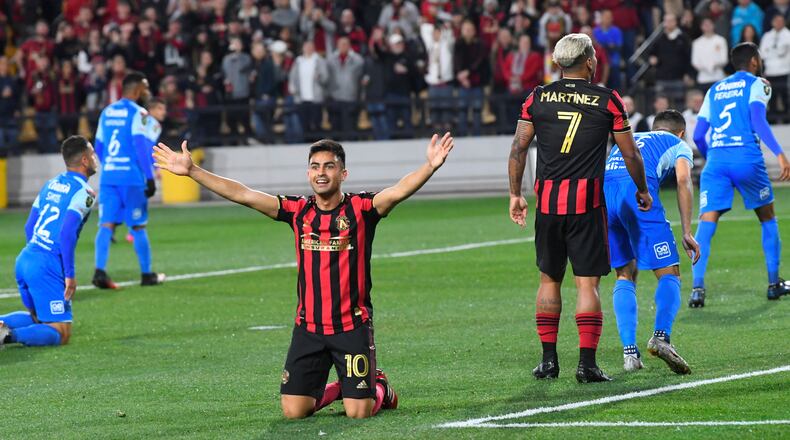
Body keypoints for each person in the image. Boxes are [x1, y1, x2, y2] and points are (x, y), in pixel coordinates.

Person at [152, 133, 455, 419]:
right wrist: (193, 171)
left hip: (351, 325)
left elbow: (399, 190)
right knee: (294, 411)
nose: (321, 173)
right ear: (308, 173)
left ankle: (379, 387)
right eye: (315, 167)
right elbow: (244, 194)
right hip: (309, 328)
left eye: (329, 166)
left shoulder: (361, 209)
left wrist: (430, 166)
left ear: (343, 174)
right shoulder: (298, 211)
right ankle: (343, 388)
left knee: (358, 413)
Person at [508, 33, 652, 383]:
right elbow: (630, 153)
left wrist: (515, 193)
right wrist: (643, 189)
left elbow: (518, 148)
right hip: (587, 203)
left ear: (558, 64)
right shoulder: (608, 100)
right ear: (589, 61)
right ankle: (587, 365)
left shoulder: (536, 98)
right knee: (587, 285)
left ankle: (548, 361)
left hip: (549, 203)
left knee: (548, 279)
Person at [690, 42, 790, 306]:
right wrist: (779, 153)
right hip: (746, 157)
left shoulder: (714, 89)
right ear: (754, 61)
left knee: (706, 224)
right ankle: (773, 283)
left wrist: (713, 156)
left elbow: (699, 135)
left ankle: (697, 289)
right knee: (767, 217)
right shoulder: (758, 84)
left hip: (717, 161)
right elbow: (758, 120)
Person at [604, 110, 700, 375]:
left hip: (606, 196)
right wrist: (687, 231)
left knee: (624, 273)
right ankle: (661, 337)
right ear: (681, 132)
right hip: (636, 194)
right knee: (669, 270)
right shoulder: (678, 144)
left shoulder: (634, 135)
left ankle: (629, 354)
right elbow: (683, 180)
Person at [0, 136, 98, 347]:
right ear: (84, 160)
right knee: (61, 332)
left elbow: (29, 226)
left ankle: (3, 326)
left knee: (39, 318)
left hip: (26, 257)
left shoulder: (51, 183)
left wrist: (36, 258)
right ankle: (7, 336)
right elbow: (66, 233)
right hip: (46, 264)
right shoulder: (85, 192)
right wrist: (69, 274)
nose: (95, 158)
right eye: (92, 153)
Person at [92, 71, 165, 289]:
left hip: (109, 177)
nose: (147, 91)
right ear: (137, 90)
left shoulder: (107, 111)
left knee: (106, 225)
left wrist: (112, 166)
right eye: (145, 87)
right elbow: (141, 145)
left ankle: (99, 272)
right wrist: (150, 177)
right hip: (132, 178)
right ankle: (147, 274)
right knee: (138, 225)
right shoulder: (139, 113)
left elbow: (99, 147)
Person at [759, 13, 790, 121]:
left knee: (785, 95)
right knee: (771, 95)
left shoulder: (788, 35)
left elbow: (784, 52)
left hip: (785, 70)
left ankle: (787, 117)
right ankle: (772, 117)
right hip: (770, 70)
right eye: (776, 21)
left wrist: (774, 52)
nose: (778, 23)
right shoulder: (767, 36)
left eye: (780, 21)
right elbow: (763, 52)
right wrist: (777, 52)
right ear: (772, 23)